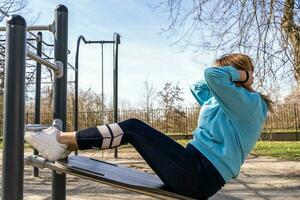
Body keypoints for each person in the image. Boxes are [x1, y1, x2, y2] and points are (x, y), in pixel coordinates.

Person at [25, 53, 273, 199]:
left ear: (239, 75)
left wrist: (242, 75)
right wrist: (226, 76)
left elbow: (212, 76)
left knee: (133, 128)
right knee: (134, 128)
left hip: (202, 173)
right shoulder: (221, 103)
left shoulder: (249, 104)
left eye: (230, 72)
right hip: (194, 164)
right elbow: (198, 85)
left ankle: (59, 140)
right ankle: (61, 142)